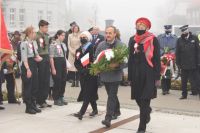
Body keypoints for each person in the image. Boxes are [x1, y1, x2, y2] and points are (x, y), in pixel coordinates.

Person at [128, 17, 161, 133]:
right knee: (138, 98)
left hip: (149, 73)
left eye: (142, 25)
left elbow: (157, 59)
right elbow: (130, 59)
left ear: (147, 27)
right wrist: (130, 77)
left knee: (145, 99)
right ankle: (147, 111)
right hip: (136, 73)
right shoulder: (132, 40)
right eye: (138, 24)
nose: (140, 26)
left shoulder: (153, 39)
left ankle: (141, 128)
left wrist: (157, 77)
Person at [95, 26, 126, 127]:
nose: (107, 35)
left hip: (116, 76)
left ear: (115, 34)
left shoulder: (121, 45)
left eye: (110, 33)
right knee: (111, 95)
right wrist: (97, 68)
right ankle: (117, 111)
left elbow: (126, 61)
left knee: (111, 96)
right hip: (105, 75)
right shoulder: (101, 45)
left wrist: (117, 65)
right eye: (106, 33)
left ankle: (108, 118)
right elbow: (96, 58)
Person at [73, 31, 98, 120]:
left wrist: (88, 69)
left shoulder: (92, 47)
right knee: (88, 92)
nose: (82, 38)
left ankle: (81, 112)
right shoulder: (78, 50)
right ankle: (95, 109)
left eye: (84, 37)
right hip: (82, 75)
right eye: (81, 37)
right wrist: (81, 70)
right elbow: (76, 63)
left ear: (88, 38)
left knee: (87, 93)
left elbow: (94, 60)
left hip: (91, 74)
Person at [20, 26, 43, 114]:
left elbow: (36, 54)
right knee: (28, 87)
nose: (35, 34)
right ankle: (28, 107)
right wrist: (28, 69)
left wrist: (40, 58)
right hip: (27, 65)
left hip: (33, 64)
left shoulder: (33, 42)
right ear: (29, 33)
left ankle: (33, 104)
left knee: (34, 86)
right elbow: (24, 58)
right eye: (33, 33)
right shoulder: (24, 43)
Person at [176, 25, 200, 99]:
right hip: (184, 64)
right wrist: (178, 64)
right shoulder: (179, 40)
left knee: (197, 80)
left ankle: (198, 93)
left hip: (194, 64)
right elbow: (178, 53)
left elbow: (198, 51)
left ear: (188, 30)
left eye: (185, 30)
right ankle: (184, 95)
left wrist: (198, 62)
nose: (184, 32)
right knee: (184, 81)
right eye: (183, 31)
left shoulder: (194, 38)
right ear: (182, 32)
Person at [35, 20, 52, 108]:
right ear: (41, 27)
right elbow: (35, 48)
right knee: (40, 80)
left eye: (47, 27)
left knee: (46, 80)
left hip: (46, 57)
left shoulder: (46, 36)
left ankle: (44, 99)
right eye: (45, 27)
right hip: (40, 58)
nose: (47, 29)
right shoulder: (36, 35)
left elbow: (47, 48)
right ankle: (38, 100)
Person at [157, 25, 177, 95]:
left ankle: (168, 88)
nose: (167, 30)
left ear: (171, 30)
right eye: (166, 29)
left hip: (171, 57)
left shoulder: (175, 38)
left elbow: (176, 48)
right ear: (164, 29)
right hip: (163, 57)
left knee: (169, 73)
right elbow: (157, 47)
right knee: (163, 73)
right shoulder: (159, 37)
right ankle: (164, 89)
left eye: (169, 29)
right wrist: (163, 52)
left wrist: (172, 53)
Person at [49, 30, 68, 106]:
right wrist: (53, 68)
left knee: (63, 81)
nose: (63, 37)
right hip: (57, 63)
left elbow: (65, 56)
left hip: (63, 62)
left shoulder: (63, 44)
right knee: (57, 81)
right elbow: (51, 57)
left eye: (64, 35)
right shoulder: (53, 44)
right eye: (62, 35)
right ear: (58, 35)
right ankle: (56, 98)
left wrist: (66, 66)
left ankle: (61, 96)